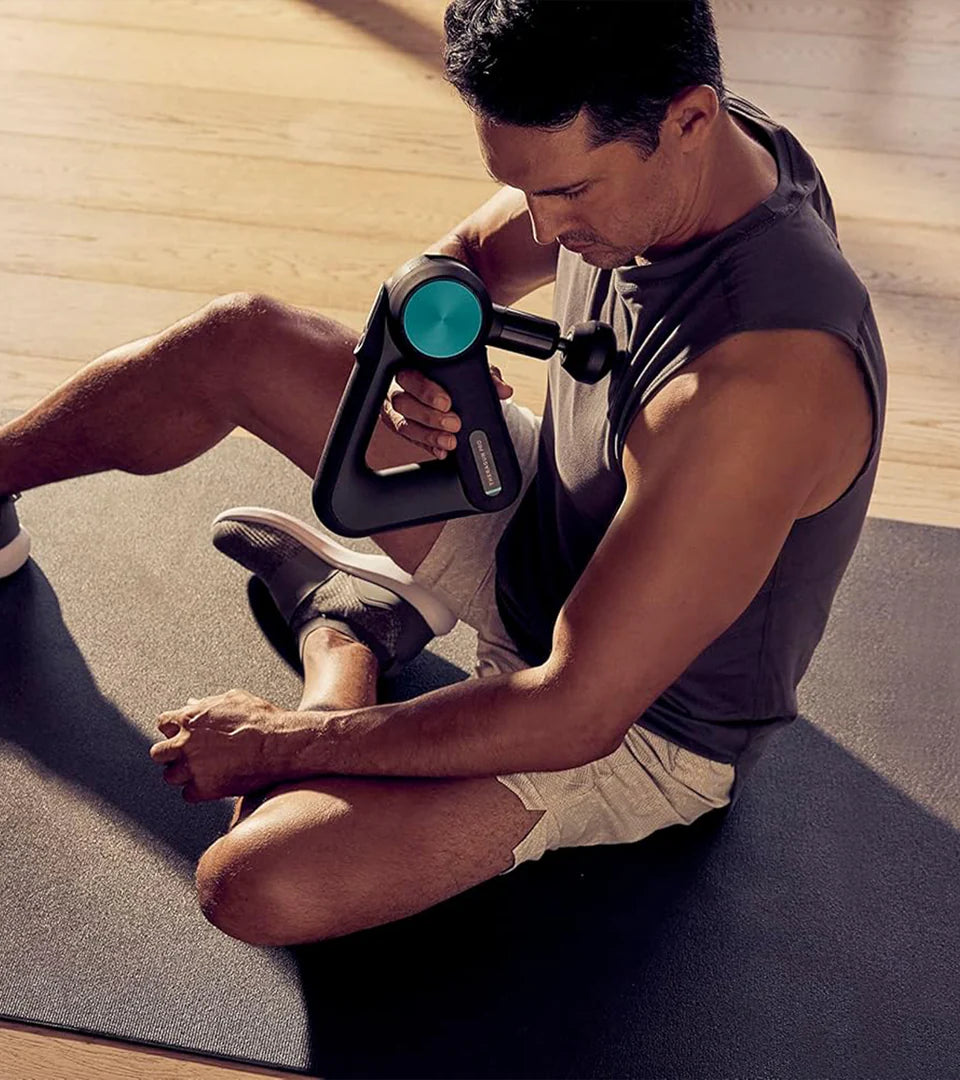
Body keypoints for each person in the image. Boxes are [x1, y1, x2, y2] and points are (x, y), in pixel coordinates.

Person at [0, 0, 885, 947]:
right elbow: (458, 262)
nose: (544, 227)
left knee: (257, 884)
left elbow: (572, 712)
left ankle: (345, 639)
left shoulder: (763, 385)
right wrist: (424, 358)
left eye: (572, 194)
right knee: (237, 339)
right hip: (548, 513)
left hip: (631, 721)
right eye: (524, 188)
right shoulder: (692, 151)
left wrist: (277, 743)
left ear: (691, 120)